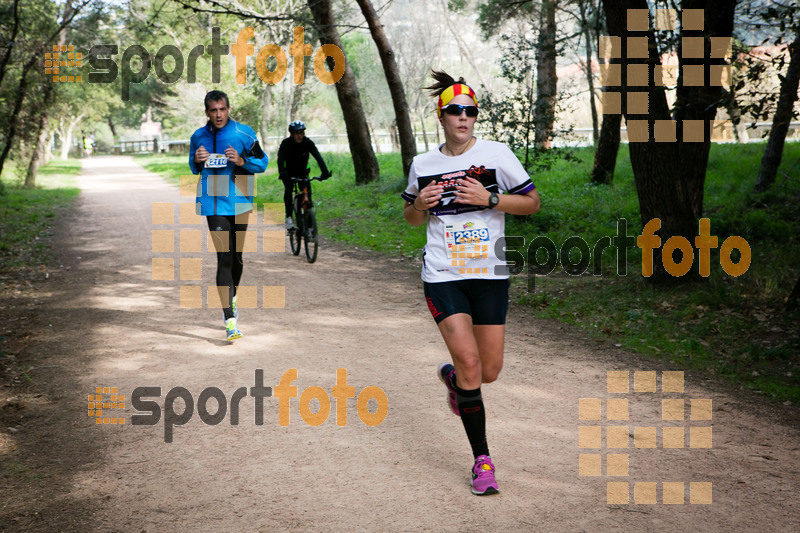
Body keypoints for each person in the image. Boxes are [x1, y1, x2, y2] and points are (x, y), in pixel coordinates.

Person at [401, 71, 540, 496]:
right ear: (441, 116)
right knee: (471, 366)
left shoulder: (498, 155)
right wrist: (419, 207)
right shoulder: (423, 165)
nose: (463, 117)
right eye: (455, 111)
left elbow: (532, 203)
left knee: (489, 371)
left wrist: (491, 199)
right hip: (443, 274)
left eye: (470, 111)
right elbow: (409, 215)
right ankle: (483, 461)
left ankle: (454, 382)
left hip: (489, 275)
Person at [189, 90, 269, 341]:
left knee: (237, 259)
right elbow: (193, 166)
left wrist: (242, 161)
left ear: (228, 109)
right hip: (213, 203)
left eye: (222, 109)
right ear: (207, 113)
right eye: (213, 110)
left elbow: (263, 163)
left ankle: (231, 295)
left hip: (240, 201)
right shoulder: (198, 136)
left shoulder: (244, 133)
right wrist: (197, 159)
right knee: (223, 257)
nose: (218, 114)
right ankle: (230, 319)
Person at [277, 121, 330, 229]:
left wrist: (325, 172)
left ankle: (310, 227)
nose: (299, 136)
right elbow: (280, 159)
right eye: (297, 133)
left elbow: (318, 157)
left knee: (307, 197)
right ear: (291, 134)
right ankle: (289, 218)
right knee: (289, 190)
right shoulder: (286, 143)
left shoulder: (307, 143)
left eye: (301, 133)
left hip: (302, 173)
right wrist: (282, 173)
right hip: (288, 173)